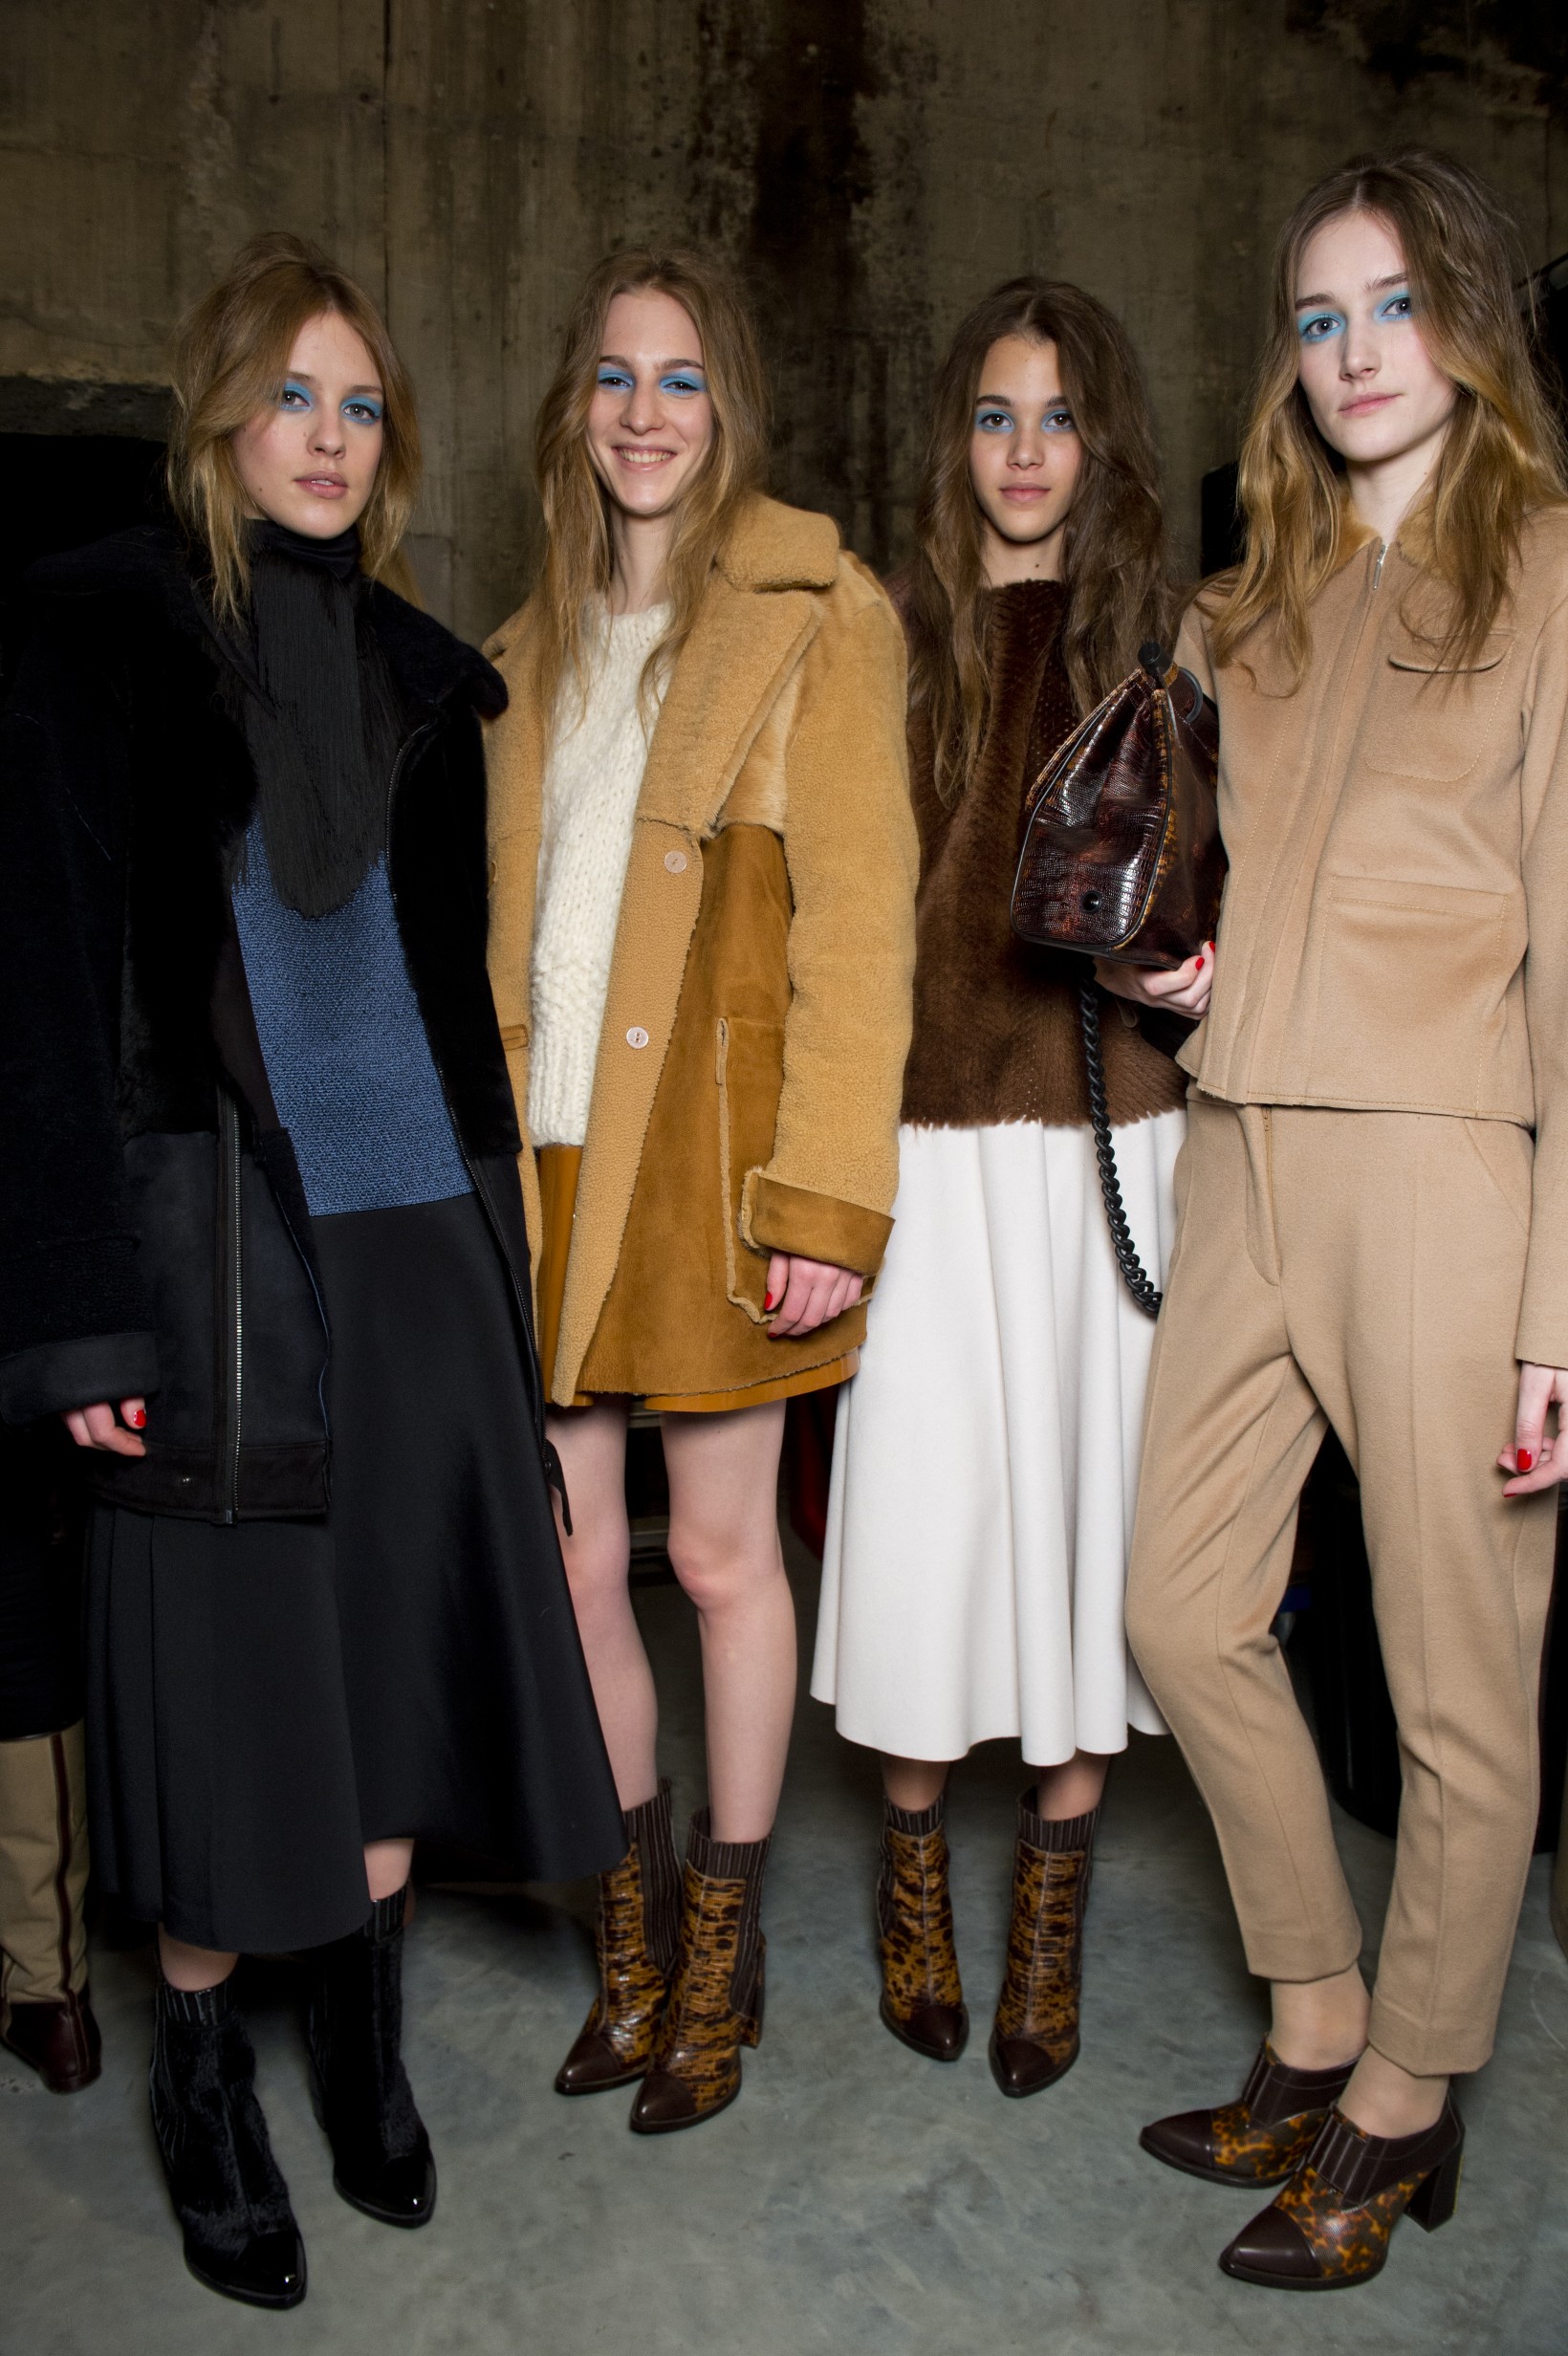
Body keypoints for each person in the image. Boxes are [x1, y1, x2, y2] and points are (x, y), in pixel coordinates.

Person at [0, 232, 622, 2307]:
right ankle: (202, 2077)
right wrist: (77, 1306)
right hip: (216, 1251)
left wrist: (505, 1277)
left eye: (362, 405)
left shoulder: (428, 682)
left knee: (387, 1682)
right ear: (219, 416)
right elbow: (41, 999)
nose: (331, 437)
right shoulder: (97, 640)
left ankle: (360, 2041)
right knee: (230, 1697)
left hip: (420, 1245)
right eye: (293, 396)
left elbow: (453, 1011)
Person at [1107, 150, 1568, 2292]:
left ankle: (1410, 2081)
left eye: (1391, 305)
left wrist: (1560, 1301)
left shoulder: (1551, 572)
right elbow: (1203, 877)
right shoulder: (1247, 605)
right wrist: (1171, 969)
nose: (1357, 350)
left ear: (1463, 320)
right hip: (1241, 1145)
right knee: (1177, 1604)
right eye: (1319, 317)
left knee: (1455, 1672)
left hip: (1445, 1165)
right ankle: (1312, 2011)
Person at [484, 249, 916, 2134]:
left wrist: (822, 1197)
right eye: (613, 375)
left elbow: (864, 936)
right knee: (578, 1565)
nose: (644, 411)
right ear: (575, 405)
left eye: (679, 377)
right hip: (551, 1164)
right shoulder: (518, 652)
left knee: (728, 1561)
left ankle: (721, 1959)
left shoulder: (818, 612)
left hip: (710, 1165)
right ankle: (633, 1941)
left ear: (727, 402)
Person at [810, 279, 1188, 2089]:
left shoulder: (1164, 644)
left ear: (1102, 442)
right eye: (993, 415)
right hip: (928, 1147)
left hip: (1113, 1139)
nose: (1026, 451)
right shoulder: (885, 635)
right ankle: (913, 1881)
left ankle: (1050, 1915)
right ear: (954, 437)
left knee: (1088, 1529)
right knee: (920, 1523)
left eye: (1058, 417)